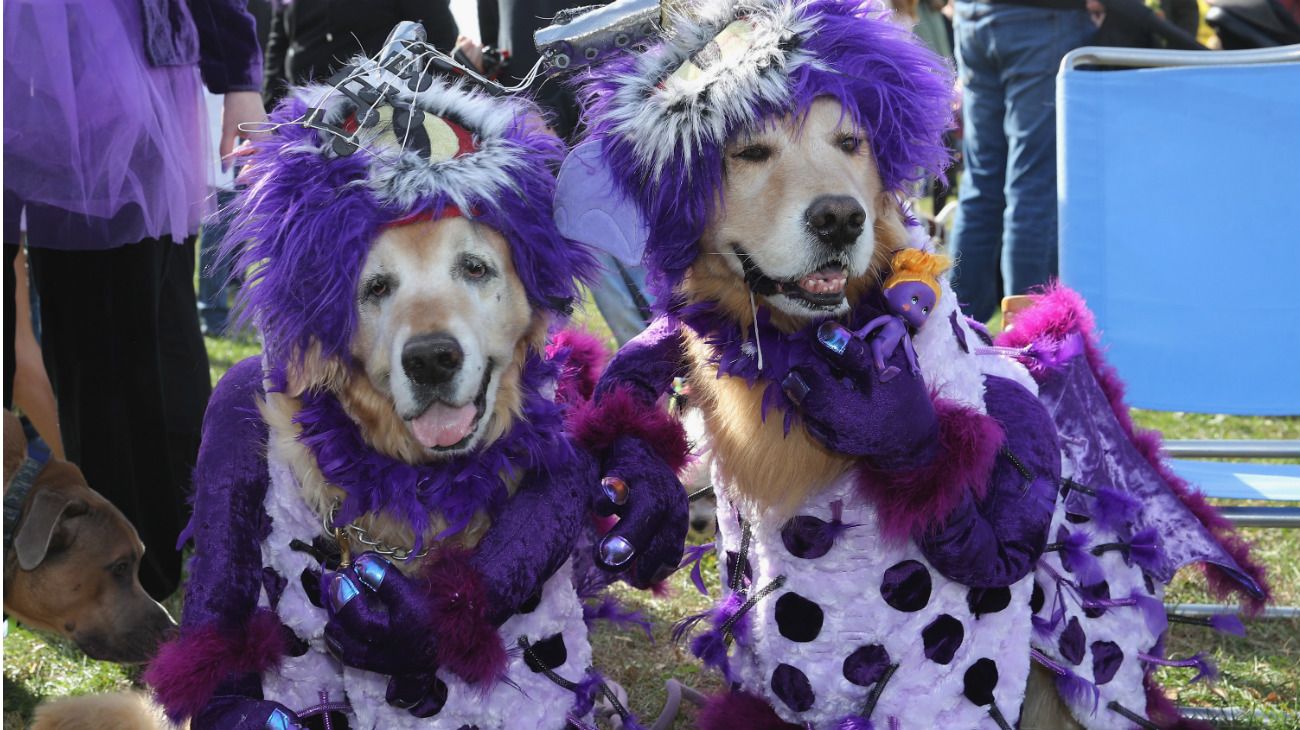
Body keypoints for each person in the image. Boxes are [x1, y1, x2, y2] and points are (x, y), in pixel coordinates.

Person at [3, 0, 266, 599]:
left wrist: (240, 79)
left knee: (124, 342)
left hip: (101, 82)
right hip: (100, 76)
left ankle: (136, 564)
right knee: (120, 341)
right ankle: (143, 556)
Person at [947, 0, 1096, 322]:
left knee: (980, 184)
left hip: (974, 16)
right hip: (1041, 19)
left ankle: (952, 330)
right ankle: (1031, 340)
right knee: (1032, 189)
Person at [262, 0, 461, 108]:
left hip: (378, 115)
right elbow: (277, 48)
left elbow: (438, 40)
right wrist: (268, 113)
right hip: (303, 114)